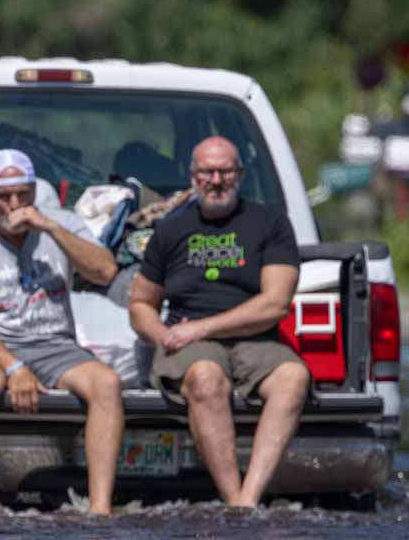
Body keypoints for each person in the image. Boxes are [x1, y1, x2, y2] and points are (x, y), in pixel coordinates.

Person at [0, 148, 124, 517]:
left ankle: (100, 508)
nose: (15, 205)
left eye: (24, 194)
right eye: (4, 197)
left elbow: (105, 271)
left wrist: (51, 227)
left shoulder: (60, 224)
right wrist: (13, 367)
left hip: (55, 344)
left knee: (107, 385)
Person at [127, 136, 310, 508]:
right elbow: (141, 304)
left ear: (239, 174)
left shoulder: (270, 223)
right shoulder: (170, 229)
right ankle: (235, 501)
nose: (216, 179)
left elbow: (275, 304)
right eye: (207, 172)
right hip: (189, 346)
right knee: (207, 376)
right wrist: (163, 336)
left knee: (294, 377)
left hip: (255, 340)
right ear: (193, 177)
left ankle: (247, 499)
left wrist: (204, 327)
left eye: (225, 171)